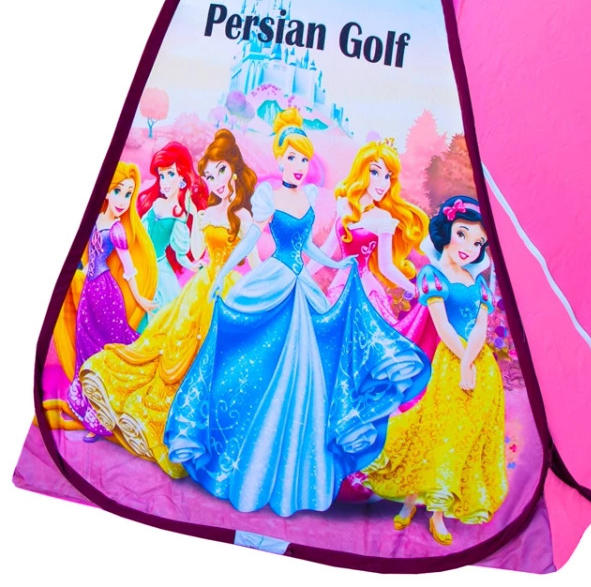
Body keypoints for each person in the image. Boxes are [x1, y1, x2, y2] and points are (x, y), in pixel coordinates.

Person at [165, 108, 431, 516]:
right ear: (279, 157)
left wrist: (337, 263)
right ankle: (238, 452)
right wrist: (222, 274)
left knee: (309, 373)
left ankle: (294, 470)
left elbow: (307, 248)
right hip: (273, 281)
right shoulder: (268, 196)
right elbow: (251, 238)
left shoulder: (307, 197)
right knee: (257, 364)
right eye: (292, 157)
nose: (298, 165)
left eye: (304, 159)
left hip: (301, 284)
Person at [80, 130, 256, 475]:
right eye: (209, 176)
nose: (216, 181)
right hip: (202, 286)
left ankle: (202, 434)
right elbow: (197, 252)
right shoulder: (206, 211)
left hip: (226, 290)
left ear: (233, 168)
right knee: (171, 347)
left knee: (215, 358)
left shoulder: (244, 216)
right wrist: (195, 219)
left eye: (221, 171)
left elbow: (250, 259)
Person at [363, 196, 508, 546]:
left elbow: (480, 325)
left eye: (478, 243)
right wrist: (463, 362)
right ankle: (418, 504)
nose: (469, 247)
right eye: (463, 235)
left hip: (482, 367)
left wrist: (472, 362)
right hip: (450, 362)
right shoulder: (433, 275)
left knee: (461, 438)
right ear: (446, 232)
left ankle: (433, 508)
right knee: (438, 431)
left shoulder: (477, 282)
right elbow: (442, 325)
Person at [63, 162, 157, 440]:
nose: (123, 200)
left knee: (105, 347)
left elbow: (129, 269)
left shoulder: (117, 231)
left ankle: (103, 413)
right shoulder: (94, 219)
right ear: (107, 191)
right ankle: (85, 399)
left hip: (106, 293)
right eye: (118, 191)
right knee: (84, 341)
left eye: (128, 194)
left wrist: (139, 297)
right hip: (89, 291)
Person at [309, 137, 430, 344]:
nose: (383, 183)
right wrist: (301, 274)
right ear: (362, 171)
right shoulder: (345, 207)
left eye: (388, 176)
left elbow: (386, 266)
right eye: (375, 172)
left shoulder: (383, 218)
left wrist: (414, 290)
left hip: (367, 292)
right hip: (339, 290)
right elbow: (327, 250)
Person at [136, 142, 207, 320]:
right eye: (162, 175)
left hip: (160, 271)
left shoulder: (179, 213)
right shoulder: (156, 203)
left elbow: (180, 251)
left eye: (171, 174)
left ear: (182, 176)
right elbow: (141, 231)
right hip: (141, 265)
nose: (165, 181)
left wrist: (192, 266)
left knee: (163, 316)